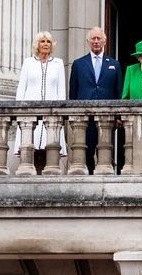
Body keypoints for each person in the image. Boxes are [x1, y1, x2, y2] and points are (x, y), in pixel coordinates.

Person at [69, 26, 124, 173]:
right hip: (85, 117)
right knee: (86, 151)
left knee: (106, 151)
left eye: (99, 38)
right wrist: (72, 116)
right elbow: (73, 92)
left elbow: (118, 93)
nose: (96, 41)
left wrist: (118, 116)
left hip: (107, 117)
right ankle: (89, 179)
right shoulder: (78, 64)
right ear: (88, 41)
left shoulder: (114, 64)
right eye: (93, 38)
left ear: (104, 41)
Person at [14, 31, 68, 171]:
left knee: (50, 148)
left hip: (52, 114)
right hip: (30, 113)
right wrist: (19, 112)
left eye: (48, 41)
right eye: (42, 41)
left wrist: (60, 113)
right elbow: (21, 89)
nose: (45, 44)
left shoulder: (58, 63)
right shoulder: (28, 63)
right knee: (31, 147)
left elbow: (61, 91)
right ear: (37, 45)